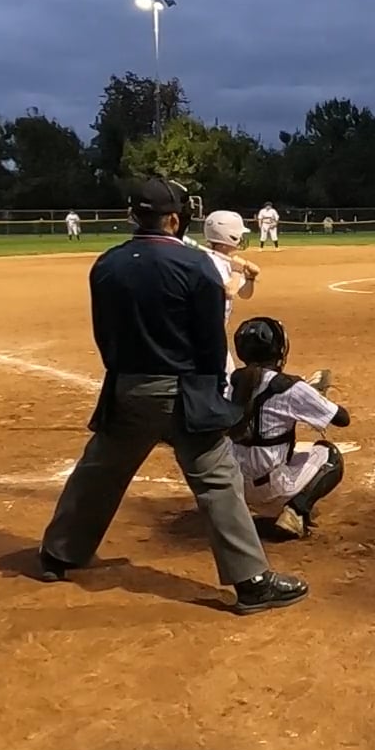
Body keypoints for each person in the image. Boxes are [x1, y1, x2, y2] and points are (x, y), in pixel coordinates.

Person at [37, 177, 306, 615]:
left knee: (99, 472)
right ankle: (252, 581)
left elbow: (105, 336)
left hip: (126, 388)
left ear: (133, 216)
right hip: (185, 391)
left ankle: (57, 553)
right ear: (176, 221)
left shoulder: (107, 264)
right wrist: (213, 395)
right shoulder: (194, 265)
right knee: (218, 480)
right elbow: (210, 342)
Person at [228, 317, 350, 540]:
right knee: (329, 455)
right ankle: (295, 513)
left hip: (231, 486)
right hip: (271, 489)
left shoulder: (229, 382)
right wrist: (314, 396)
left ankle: (231, 513)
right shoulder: (289, 387)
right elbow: (342, 419)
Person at [201, 210, 260, 372]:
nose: (241, 238)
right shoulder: (210, 261)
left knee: (228, 375)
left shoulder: (226, 261)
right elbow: (228, 291)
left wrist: (250, 278)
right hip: (206, 334)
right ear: (229, 237)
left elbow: (244, 294)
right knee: (224, 377)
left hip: (216, 332)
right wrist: (236, 271)